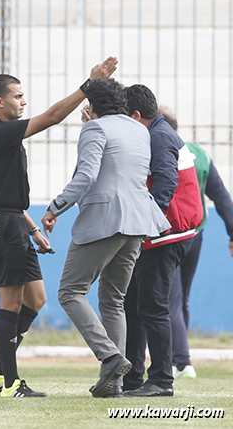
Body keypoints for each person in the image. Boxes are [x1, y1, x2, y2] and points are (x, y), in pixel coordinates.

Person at [0, 56, 117, 398]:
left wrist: (32, 229)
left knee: (36, 299)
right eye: (18, 96)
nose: (23, 102)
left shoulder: (8, 137)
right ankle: (10, 384)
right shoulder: (0, 132)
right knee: (10, 302)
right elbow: (53, 117)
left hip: (12, 221)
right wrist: (89, 86)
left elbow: (6, 196)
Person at [40, 78, 170, 398]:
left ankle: (110, 357)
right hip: (138, 222)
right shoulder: (138, 129)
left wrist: (56, 206)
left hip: (105, 219)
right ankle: (115, 383)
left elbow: (87, 175)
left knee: (70, 291)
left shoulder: (95, 129)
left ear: (93, 105)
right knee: (114, 300)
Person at [121, 85, 203, 397]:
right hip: (162, 233)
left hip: (167, 234)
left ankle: (161, 381)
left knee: (152, 306)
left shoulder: (159, 137)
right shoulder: (157, 132)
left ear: (136, 116)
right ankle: (133, 378)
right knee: (135, 304)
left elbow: (166, 182)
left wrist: (147, 221)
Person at [159, 107, 233, 381]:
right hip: (195, 234)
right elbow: (221, 196)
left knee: (170, 300)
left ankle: (181, 361)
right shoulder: (197, 153)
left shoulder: (157, 151)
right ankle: (177, 358)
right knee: (182, 299)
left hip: (169, 234)